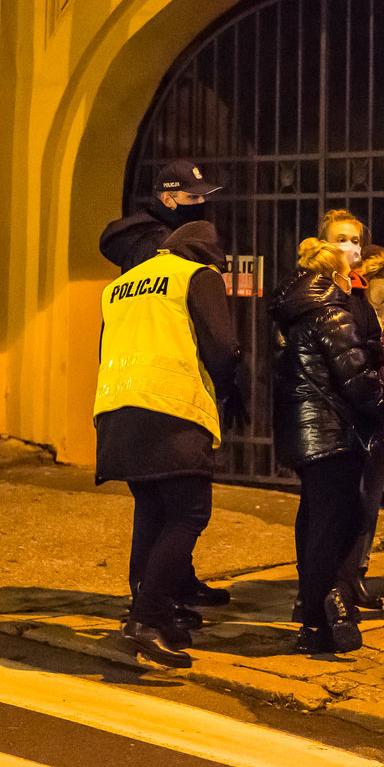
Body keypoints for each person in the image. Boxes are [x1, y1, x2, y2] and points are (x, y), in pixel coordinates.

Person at [93, 221, 244, 668]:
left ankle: (149, 612)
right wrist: (231, 387)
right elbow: (222, 346)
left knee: (153, 511)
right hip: (172, 408)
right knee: (189, 513)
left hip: (118, 408)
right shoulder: (196, 276)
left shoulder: (120, 285)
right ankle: (147, 619)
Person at [269, 238, 384, 654]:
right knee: (336, 522)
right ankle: (317, 620)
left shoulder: (296, 310)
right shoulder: (330, 311)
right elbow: (354, 373)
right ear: (334, 275)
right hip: (331, 429)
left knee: (317, 519)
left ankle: (317, 607)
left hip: (306, 429)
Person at [336, 241, 384, 611]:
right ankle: (339, 576)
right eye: (378, 277)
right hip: (354, 424)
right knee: (346, 504)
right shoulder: (351, 320)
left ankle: (358, 573)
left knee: (370, 505)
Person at [318, 209, 384, 610]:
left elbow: (372, 348)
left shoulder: (360, 293)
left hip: (362, 414)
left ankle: (347, 580)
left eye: (355, 240)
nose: (350, 247)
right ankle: (320, 590)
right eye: (340, 239)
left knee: (362, 503)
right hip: (330, 415)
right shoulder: (314, 290)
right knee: (327, 509)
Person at [100, 160, 222, 273]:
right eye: (193, 197)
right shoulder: (156, 242)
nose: (201, 202)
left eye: (204, 196)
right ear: (168, 200)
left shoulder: (173, 234)